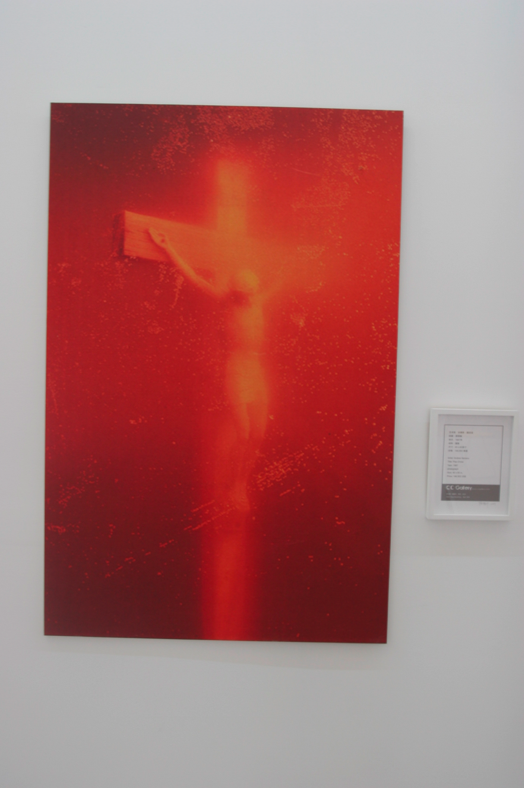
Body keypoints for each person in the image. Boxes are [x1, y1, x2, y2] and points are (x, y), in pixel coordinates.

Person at [149, 228, 269, 511]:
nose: (248, 298)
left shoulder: (259, 301)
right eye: (243, 294)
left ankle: (240, 483)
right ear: (235, 293)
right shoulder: (225, 300)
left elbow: (282, 282)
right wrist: (168, 248)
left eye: (251, 293)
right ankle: (231, 486)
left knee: (259, 435)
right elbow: (193, 278)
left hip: (256, 370)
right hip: (236, 369)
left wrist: (303, 261)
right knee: (243, 432)